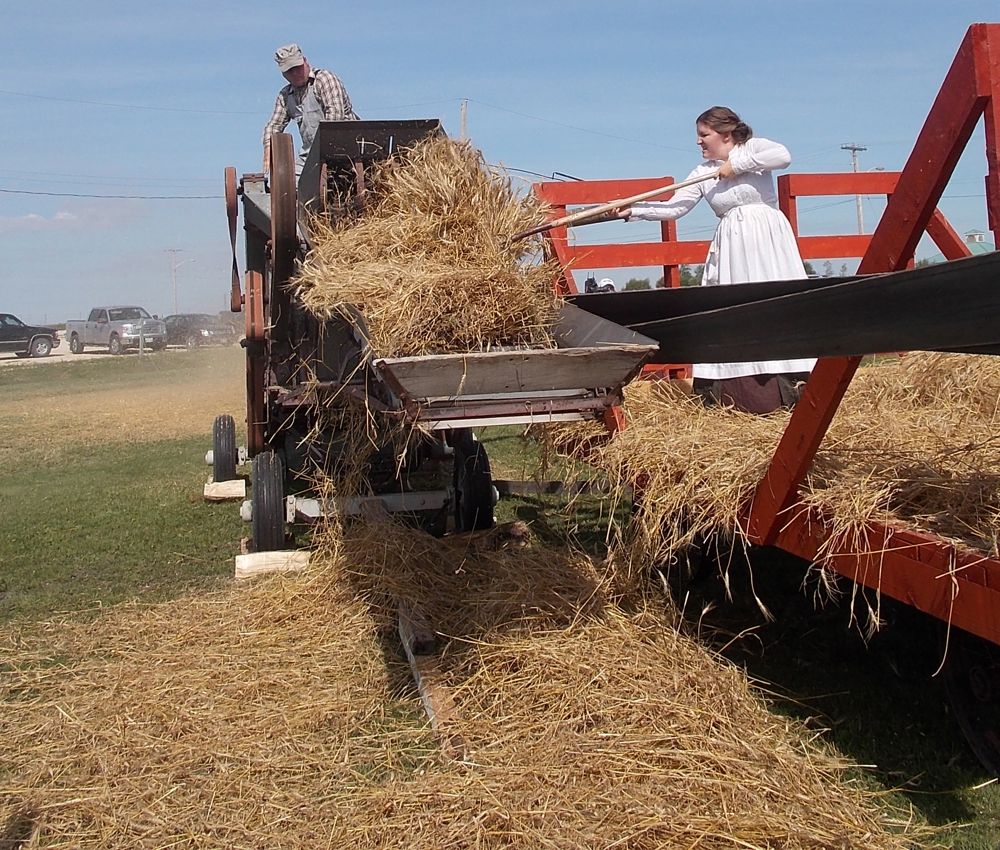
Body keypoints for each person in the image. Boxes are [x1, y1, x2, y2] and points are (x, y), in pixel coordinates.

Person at [618, 106, 815, 414]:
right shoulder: (702, 172)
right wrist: (634, 209)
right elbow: (674, 208)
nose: (698, 142)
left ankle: (792, 380)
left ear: (725, 134)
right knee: (735, 308)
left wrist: (736, 165)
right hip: (733, 245)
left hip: (767, 241)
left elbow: (783, 155)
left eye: (703, 135)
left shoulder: (754, 149)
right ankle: (738, 394)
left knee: (773, 302)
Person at [262, 43, 359, 174]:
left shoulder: (324, 80)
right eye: (290, 70)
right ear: (283, 74)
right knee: (292, 184)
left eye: (298, 67)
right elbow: (273, 126)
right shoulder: (285, 96)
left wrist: (324, 159)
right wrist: (269, 146)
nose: (295, 73)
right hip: (310, 155)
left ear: (305, 61)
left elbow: (335, 119)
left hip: (346, 149)